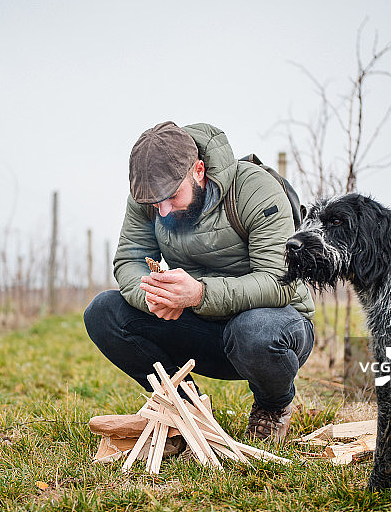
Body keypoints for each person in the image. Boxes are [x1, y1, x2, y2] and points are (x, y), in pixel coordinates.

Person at [83, 121, 315, 443]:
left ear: (199, 170)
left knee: (254, 331)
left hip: (273, 327)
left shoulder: (253, 190)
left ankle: (271, 407)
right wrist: (153, 296)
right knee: (104, 312)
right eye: (154, 203)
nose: (162, 211)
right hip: (201, 325)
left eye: (172, 197)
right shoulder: (151, 196)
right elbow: (130, 260)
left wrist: (199, 294)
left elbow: (280, 281)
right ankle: (187, 411)